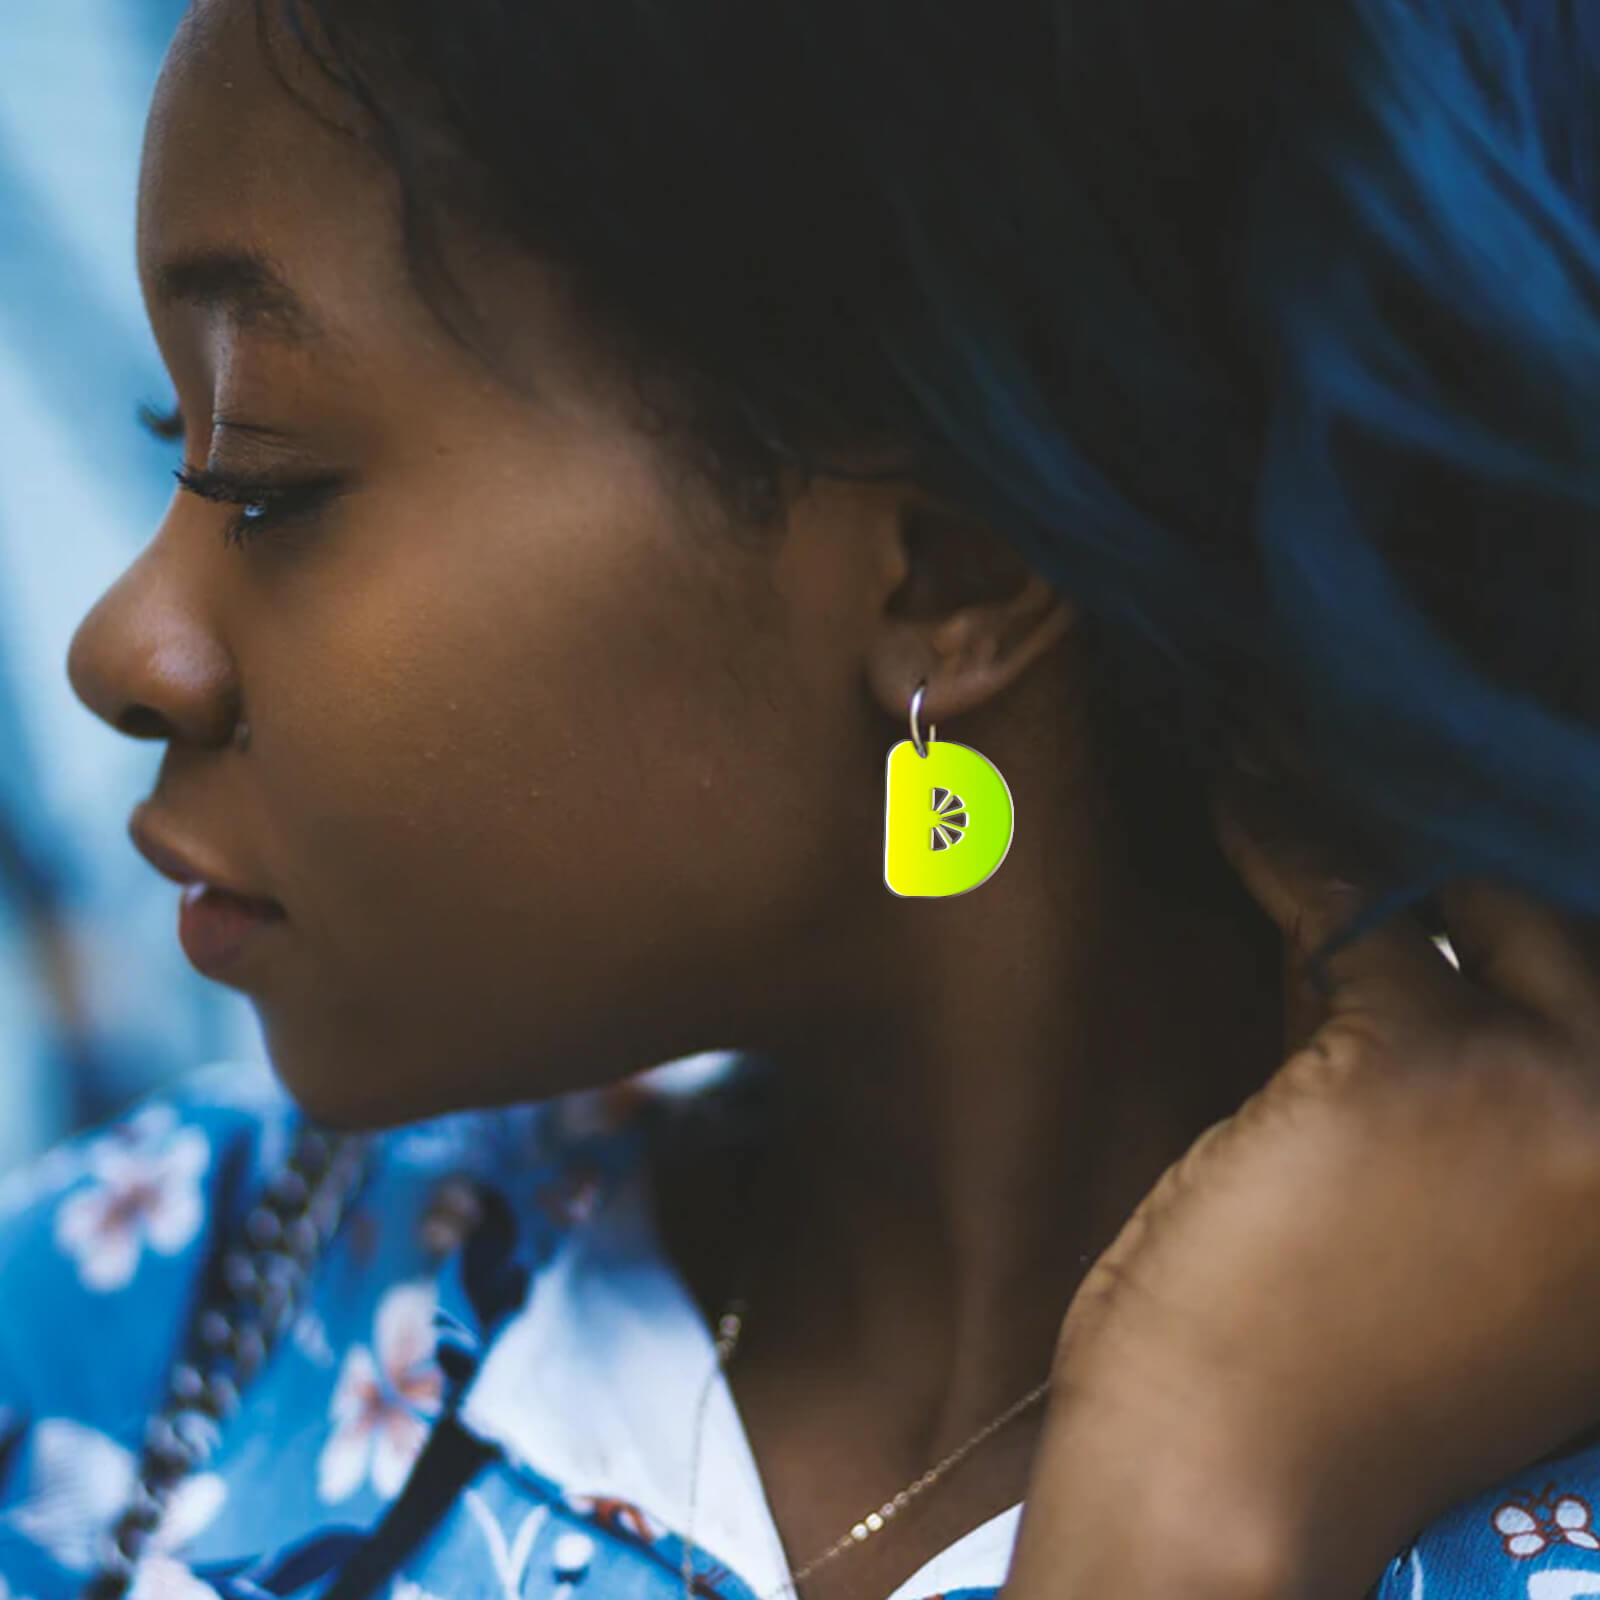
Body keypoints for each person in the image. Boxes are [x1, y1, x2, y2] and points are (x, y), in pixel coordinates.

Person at [7, 0, 1600, 1596]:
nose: (122, 651)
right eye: (175, 440)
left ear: (949, 574)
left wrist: (1204, 1472)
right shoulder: (147, 1302)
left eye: (266, 479)